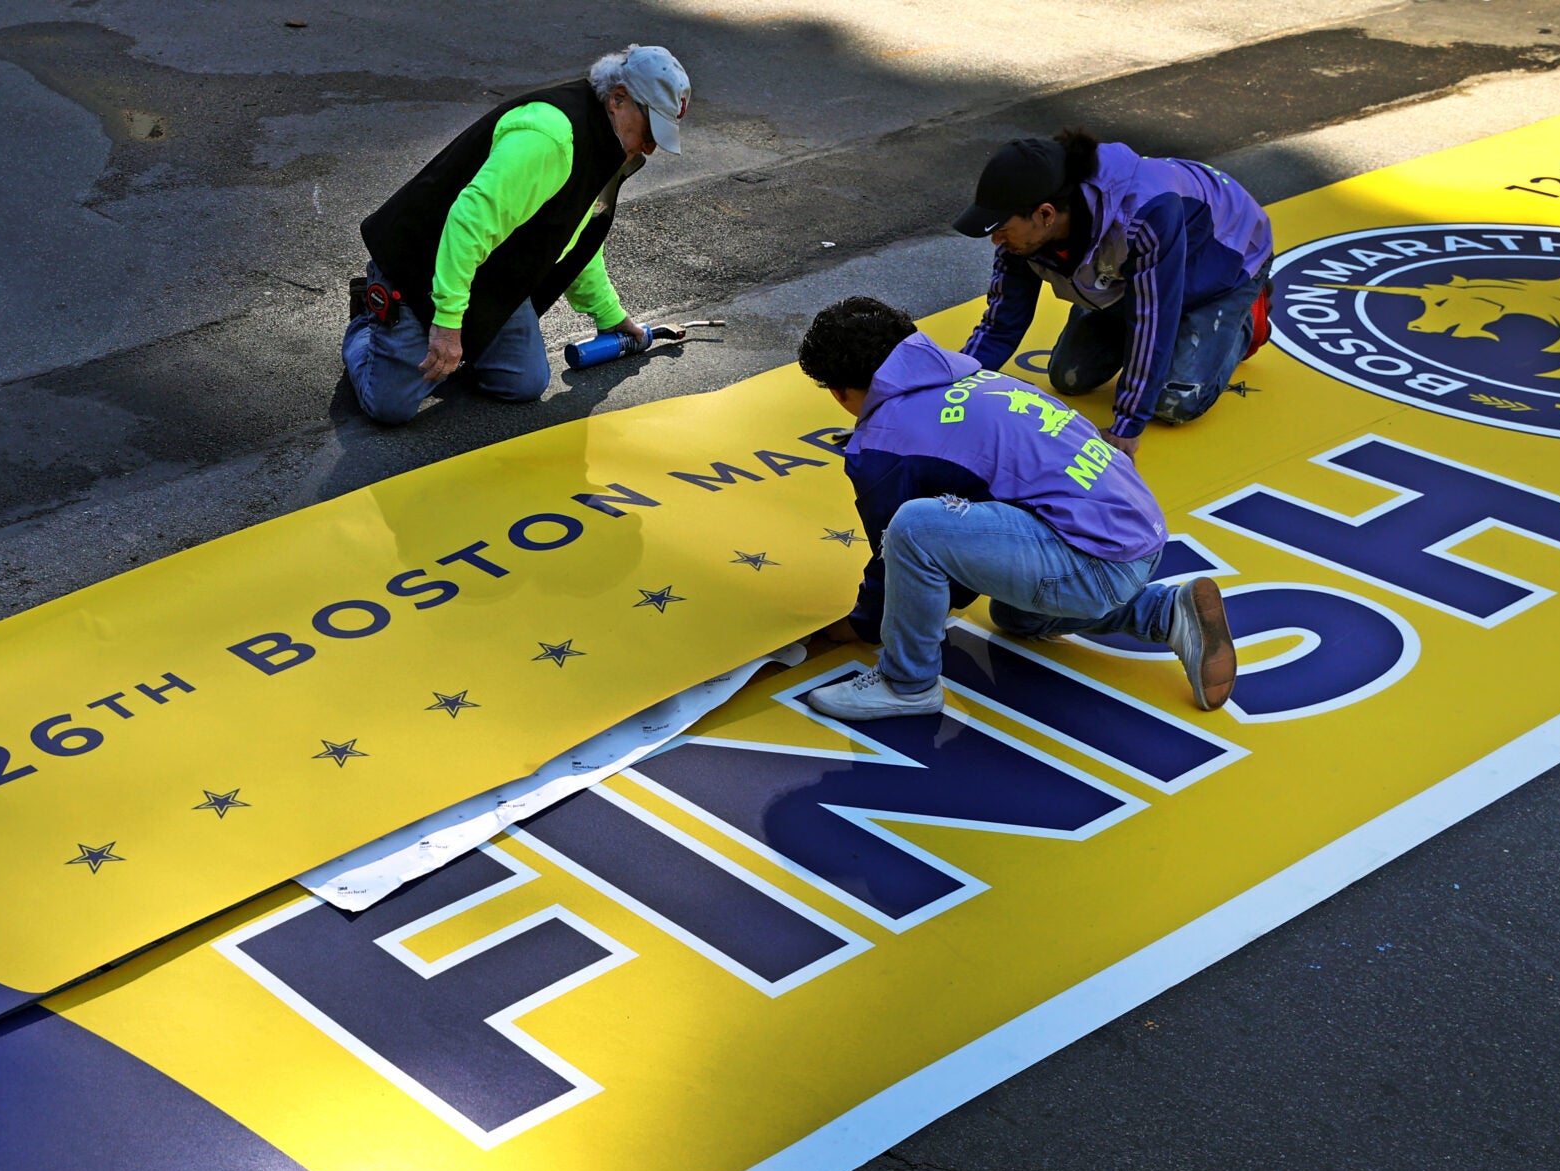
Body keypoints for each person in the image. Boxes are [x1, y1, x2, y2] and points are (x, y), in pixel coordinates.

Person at [792, 295, 1235, 722]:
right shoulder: (975, 376)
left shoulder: (881, 442)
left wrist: (858, 626)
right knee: (1014, 614)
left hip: (1093, 562)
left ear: (838, 392)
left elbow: (900, 559)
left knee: (912, 527)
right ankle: (1164, 610)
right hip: (1138, 535)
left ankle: (907, 684)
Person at [345, 43, 689, 425]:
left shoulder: (609, 147)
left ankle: (440, 345)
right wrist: (446, 322)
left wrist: (609, 315)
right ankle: (369, 321)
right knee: (392, 407)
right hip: (419, 265)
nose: (652, 147)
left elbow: (575, 240)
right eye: (651, 128)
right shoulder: (551, 136)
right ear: (618, 99)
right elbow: (467, 222)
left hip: (488, 273)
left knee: (524, 383)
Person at [955, 128, 1274, 454]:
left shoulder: (1145, 216)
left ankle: (1244, 322)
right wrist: (952, 387)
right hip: (1133, 276)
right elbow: (1001, 322)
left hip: (1225, 261)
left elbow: (1152, 320)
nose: (996, 241)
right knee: (1068, 377)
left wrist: (1127, 425)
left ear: (1045, 214)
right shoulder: (1023, 234)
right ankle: (1124, 297)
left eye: (1002, 229)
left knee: (1174, 402)